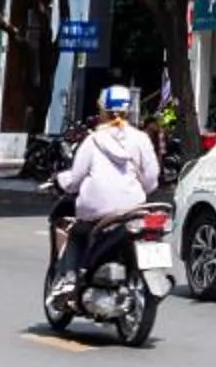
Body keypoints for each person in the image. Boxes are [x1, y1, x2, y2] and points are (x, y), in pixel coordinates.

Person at [51, 84, 160, 279]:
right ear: (128, 111)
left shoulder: (93, 141)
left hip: (97, 213)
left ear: (102, 111)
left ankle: (69, 280)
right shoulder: (141, 139)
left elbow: (75, 180)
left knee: (76, 233)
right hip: (133, 210)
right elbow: (151, 180)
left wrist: (60, 181)